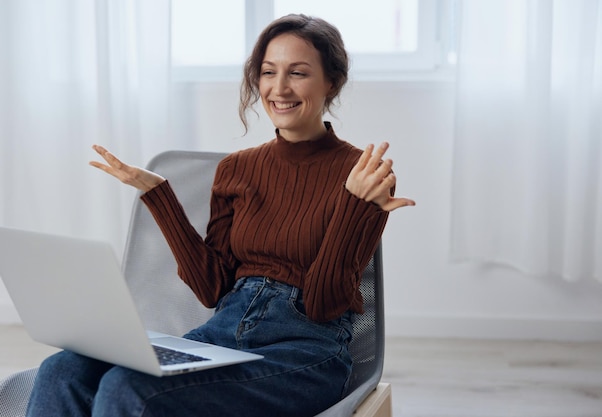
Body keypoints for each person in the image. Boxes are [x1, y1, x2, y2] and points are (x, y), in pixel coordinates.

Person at [26, 14, 415, 417]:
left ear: (331, 82)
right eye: (268, 72)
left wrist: (354, 205)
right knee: (62, 370)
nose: (279, 88)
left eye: (297, 73)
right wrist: (158, 195)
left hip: (306, 351)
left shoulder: (363, 175)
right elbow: (212, 287)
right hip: (222, 335)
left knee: (131, 388)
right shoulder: (237, 169)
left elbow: (323, 304)